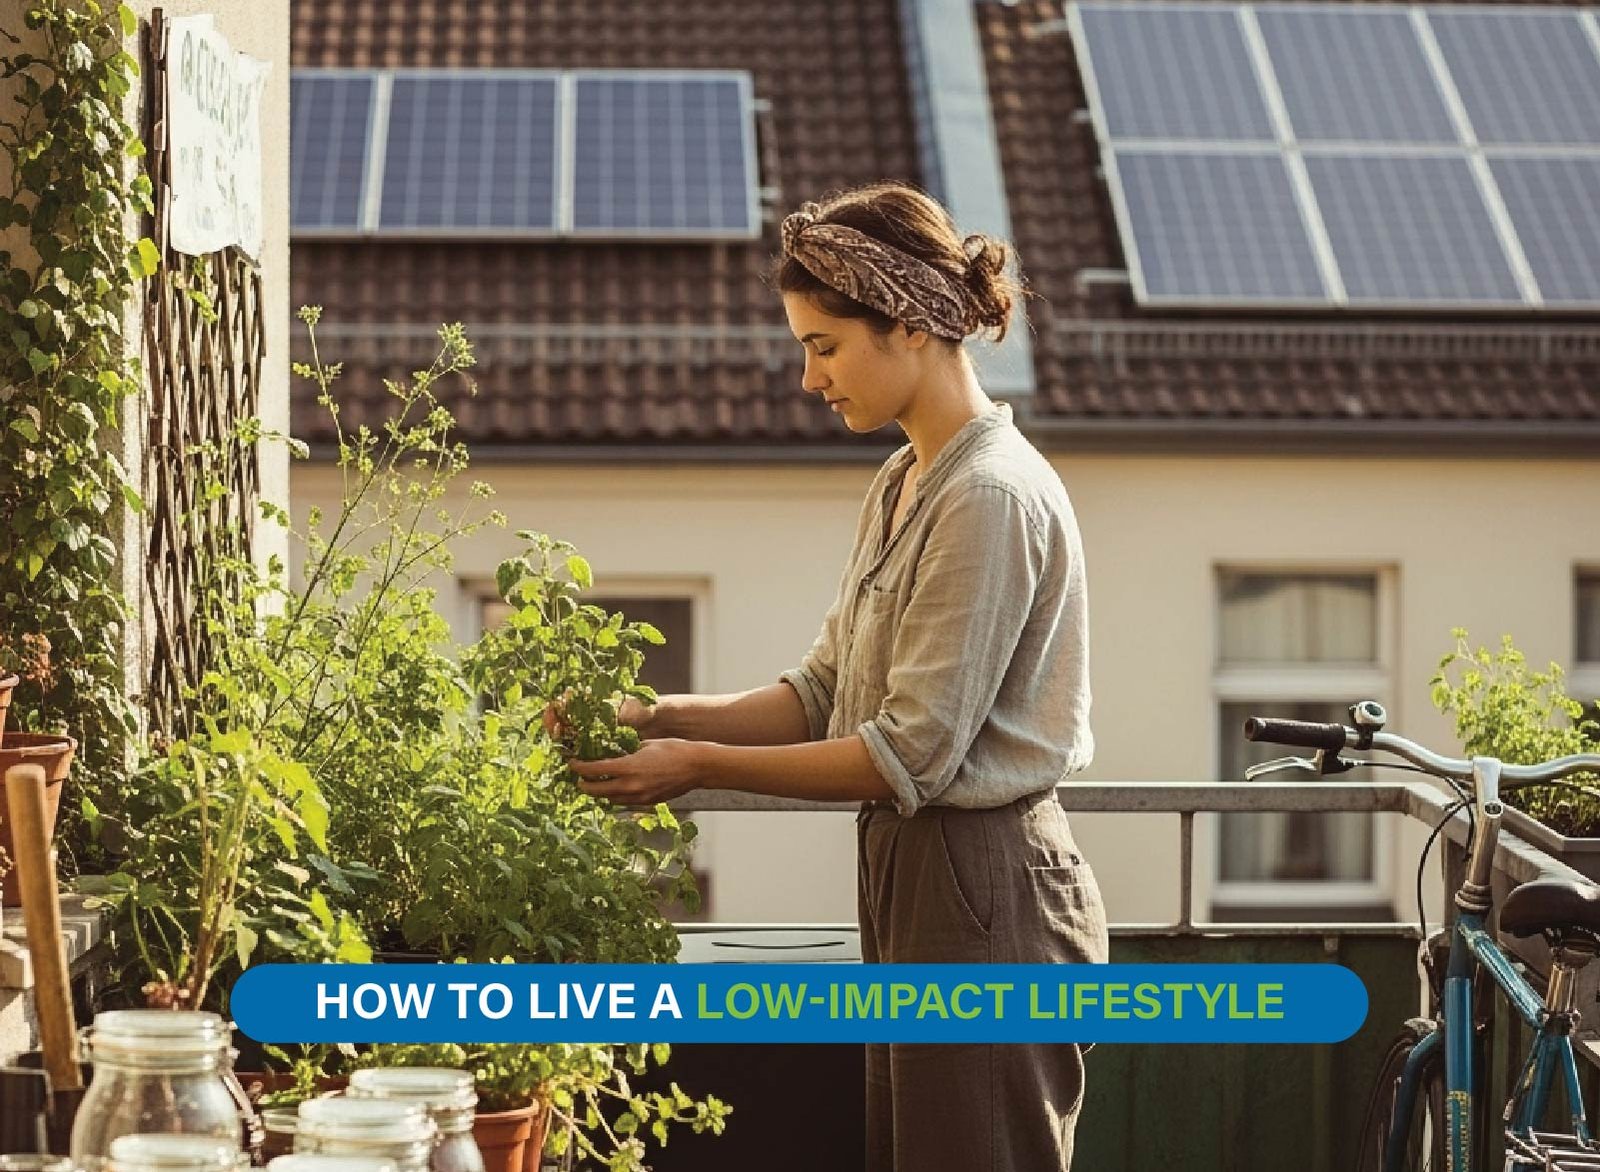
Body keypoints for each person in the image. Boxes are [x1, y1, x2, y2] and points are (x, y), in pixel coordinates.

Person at [559, 181, 1109, 1171]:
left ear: (907, 323)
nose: (809, 380)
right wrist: (651, 714)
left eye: (823, 346)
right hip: (920, 880)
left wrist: (691, 767)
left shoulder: (986, 497)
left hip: (986, 891)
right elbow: (823, 690)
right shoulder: (906, 480)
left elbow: (911, 751)